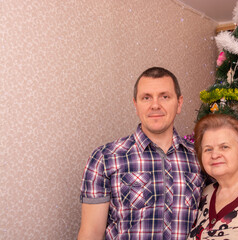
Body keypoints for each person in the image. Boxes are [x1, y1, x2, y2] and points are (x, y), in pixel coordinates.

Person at [78, 67, 204, 240]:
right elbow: (91, 233)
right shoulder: (105, 158)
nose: (155, 105)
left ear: (179, 103)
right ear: (136, 105)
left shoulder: (200, 158)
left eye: (164, 97)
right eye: (146, 98)